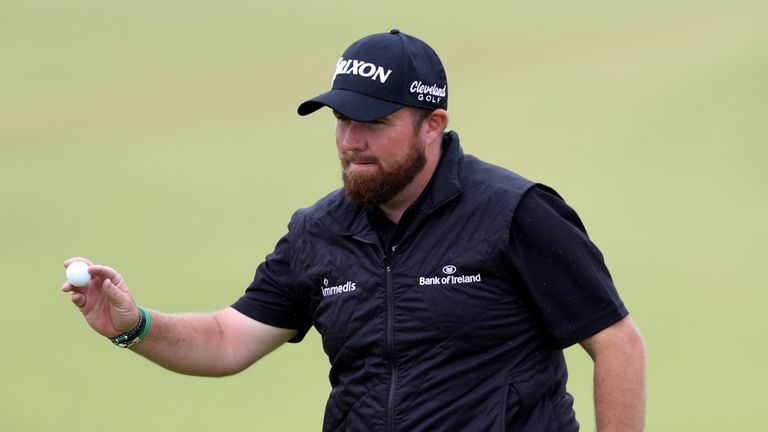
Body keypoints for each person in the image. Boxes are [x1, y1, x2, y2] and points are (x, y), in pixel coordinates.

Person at [62, 29, 646, 431]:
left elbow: (617, 343)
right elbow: (225, 339)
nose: (350, 140)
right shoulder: (318, 232)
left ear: (432, 125)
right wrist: (135, 325)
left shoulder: (515, 212)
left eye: (373, 122)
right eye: (343, 119)